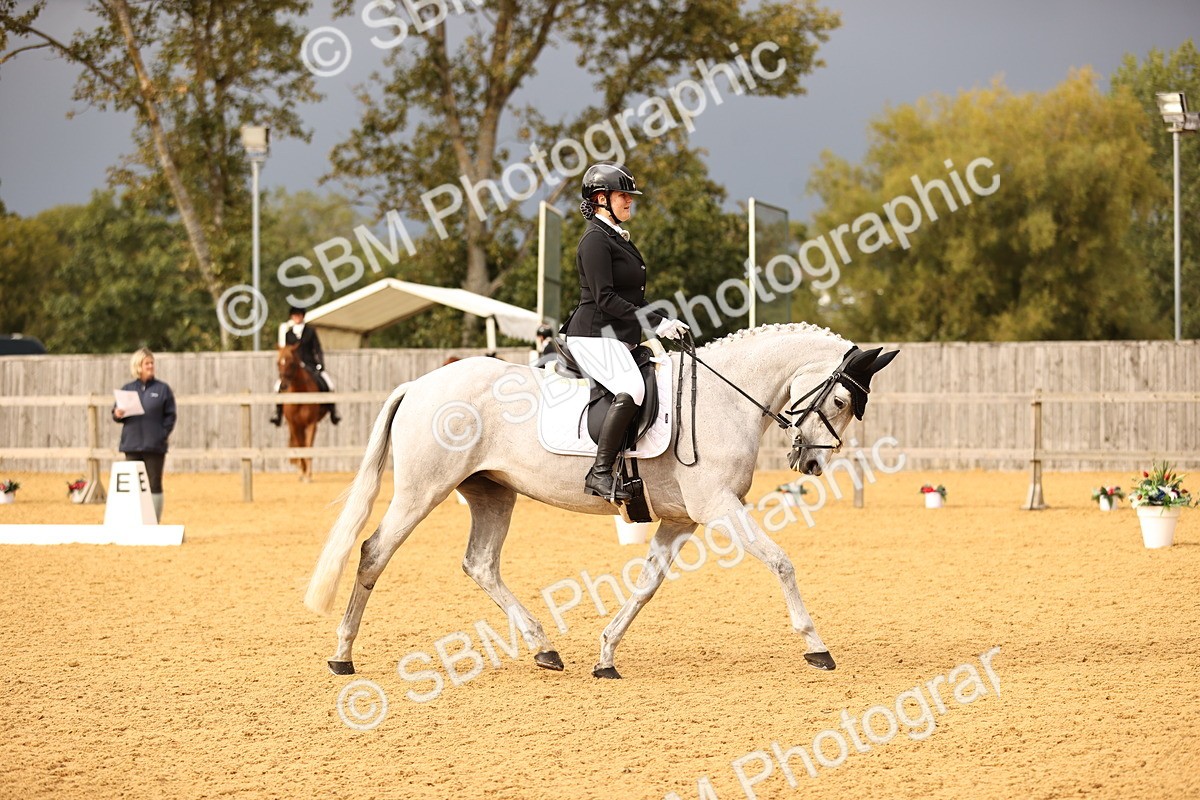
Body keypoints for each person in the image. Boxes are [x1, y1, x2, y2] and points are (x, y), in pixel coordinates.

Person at [560, 162, 689, 502]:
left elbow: (634, 298)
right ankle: (600, 473)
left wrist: (665, 320)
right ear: (601, 199)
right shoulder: (594, 241)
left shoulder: (614, 237)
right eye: (623, 196)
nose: (630, 201)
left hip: (615, 333)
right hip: (592, 334)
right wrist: (656, 323)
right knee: (632, 388)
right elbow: (604, 298)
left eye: (630, 196)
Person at [112, 347, 176, 522]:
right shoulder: (127, 389)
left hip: (154, 446)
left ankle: (154, 522)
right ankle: (133, 520)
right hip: (131, 445)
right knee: (133, 486)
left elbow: (170, 416)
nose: (150, 366)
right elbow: (116, 415)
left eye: (152, 363)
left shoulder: (163, 389)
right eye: (147, 363)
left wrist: (162, 434)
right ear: (138, 366)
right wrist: (117, 413)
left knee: (154, 484)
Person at [270, 306, 340, 426]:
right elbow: (287, 351)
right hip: (294, 368)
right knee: (277, 387)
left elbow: (317, 349)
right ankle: (278, 414)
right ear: (292, 317)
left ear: (302, 316)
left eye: (299, 315)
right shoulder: (289, 334)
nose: (297, 317)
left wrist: (320, 364)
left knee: (329, 384)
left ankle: (333, 412)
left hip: (311, 365)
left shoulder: (310, 332)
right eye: (294, 315)